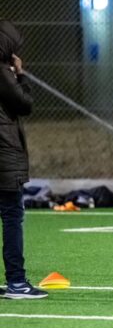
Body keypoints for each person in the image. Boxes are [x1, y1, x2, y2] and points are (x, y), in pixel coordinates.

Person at [0, 19, 47, 299]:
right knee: (12, 216)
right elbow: (24, 104)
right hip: (4, 156)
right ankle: (17, 283)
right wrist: (21, 75)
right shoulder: (2, 72)